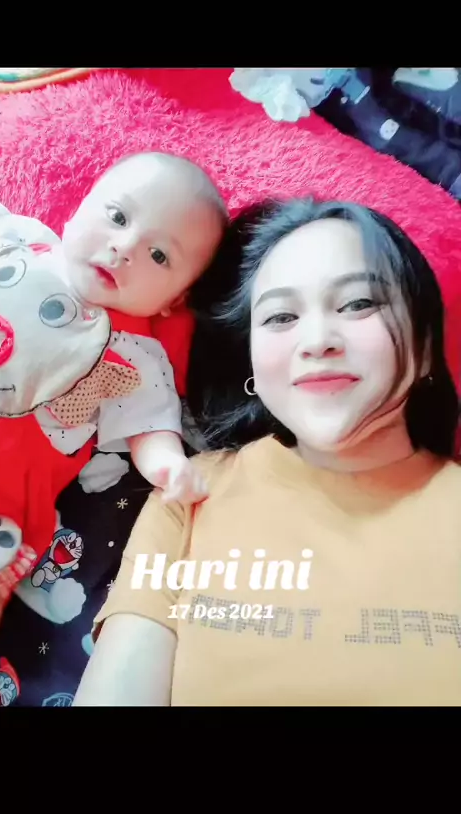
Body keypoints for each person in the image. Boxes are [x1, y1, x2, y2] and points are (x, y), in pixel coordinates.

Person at [73, 196, 461, 707]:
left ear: (427, 342)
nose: (317, 341)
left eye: (358, 304)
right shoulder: (190, 494)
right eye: (280, 317)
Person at [0, 152, 227, 644]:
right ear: (78, 209)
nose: (125, 247)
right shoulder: (13, 240)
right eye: (117, 217)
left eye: (160, 256)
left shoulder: (135, 354)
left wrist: (168, 467)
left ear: (173, 300)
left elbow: (151, 427)